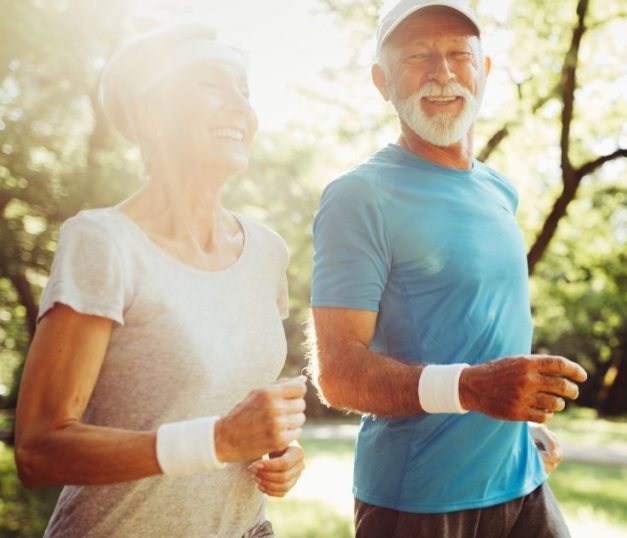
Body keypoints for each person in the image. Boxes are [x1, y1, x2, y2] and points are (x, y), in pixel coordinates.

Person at [14, 23, 307, 537]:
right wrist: (217, 441)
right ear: (151, 115)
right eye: (211, 85)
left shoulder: (266, 252)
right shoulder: (104, 242)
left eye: (244, 90)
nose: (240, 106)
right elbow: (39, 449)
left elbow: (228, 407)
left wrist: (279, 448)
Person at [308, 1, 587, 536]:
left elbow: (474, 329)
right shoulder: (358, 196)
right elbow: (337, 374)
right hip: (419, 503)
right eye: (417, 56)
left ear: (483, 71)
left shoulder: (499, 190)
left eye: (459, 54)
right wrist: (473, 389)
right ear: (381, 80)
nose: (441, 73)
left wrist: (517, 432)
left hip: (522, 482)